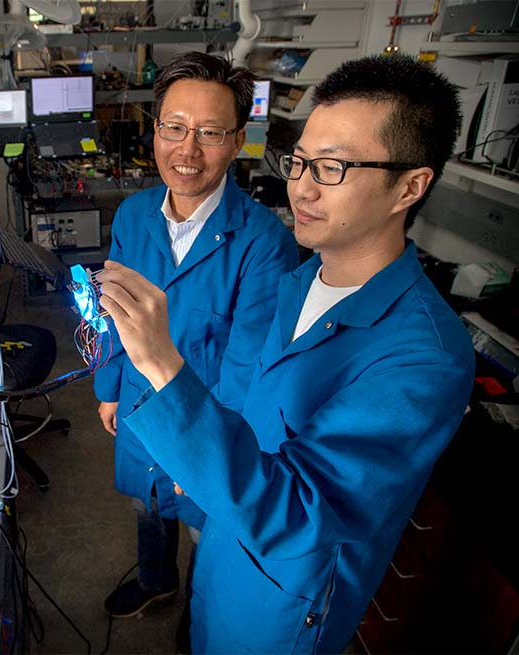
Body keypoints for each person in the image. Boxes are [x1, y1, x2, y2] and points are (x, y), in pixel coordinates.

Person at [97, 54, 475, 653]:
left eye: (331, 167)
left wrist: (163, 365)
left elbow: (298, 515)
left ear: (410, 185)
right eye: (300, 162)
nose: (301, 185)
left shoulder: (424, 358)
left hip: (277, 598)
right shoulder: (302, 284)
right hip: (224, 537)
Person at [94, 51, 298, 632]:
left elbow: (246, 368)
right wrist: (109, 386)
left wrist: (205, 453)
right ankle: (156, 580)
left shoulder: (264, 244)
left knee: (210, 536)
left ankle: (198, 620)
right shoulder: (133, 215)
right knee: (147, 505)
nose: (188, 151)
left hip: (209, 421)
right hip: (137, 405)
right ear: (155, 130)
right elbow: (114, 310)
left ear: (237, 141)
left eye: (209, 133)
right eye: (174, 128)